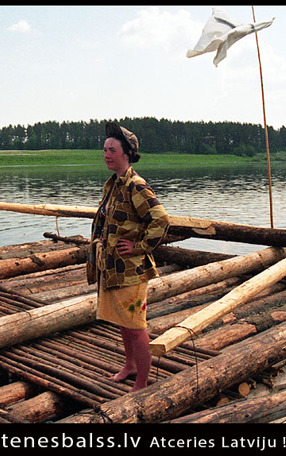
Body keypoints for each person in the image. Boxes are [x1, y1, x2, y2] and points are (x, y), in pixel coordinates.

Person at [86, 122, 170, 392]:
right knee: (124, 323)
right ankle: (130, 366)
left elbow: (161, 219)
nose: (106, 154)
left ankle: (143, 382)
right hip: (112, 268)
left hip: (132, 270)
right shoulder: (111, 184)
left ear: (127, 153)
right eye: (104, 150)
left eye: (112, 150)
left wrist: (139, 246)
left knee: (136, 326)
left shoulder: (136, 186)